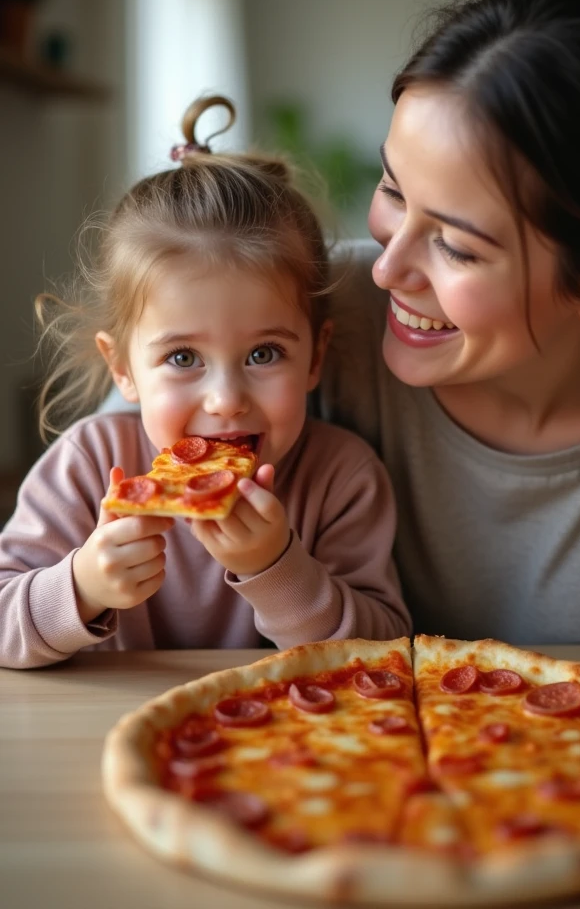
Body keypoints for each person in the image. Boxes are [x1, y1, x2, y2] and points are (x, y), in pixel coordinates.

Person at [309, 0, 580, 648]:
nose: (389, 269)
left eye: (456, 247)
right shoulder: (301, 313)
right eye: (393, 191)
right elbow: (100, 487)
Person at [0, 96, 410, 670]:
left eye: (264, 353)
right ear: (123, 369)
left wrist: (277, 567)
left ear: (314, 359)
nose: (225, 400)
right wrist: (83, 585)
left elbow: (383, 652)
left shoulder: (342, 478)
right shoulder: (87, 462)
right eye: (183, 357)